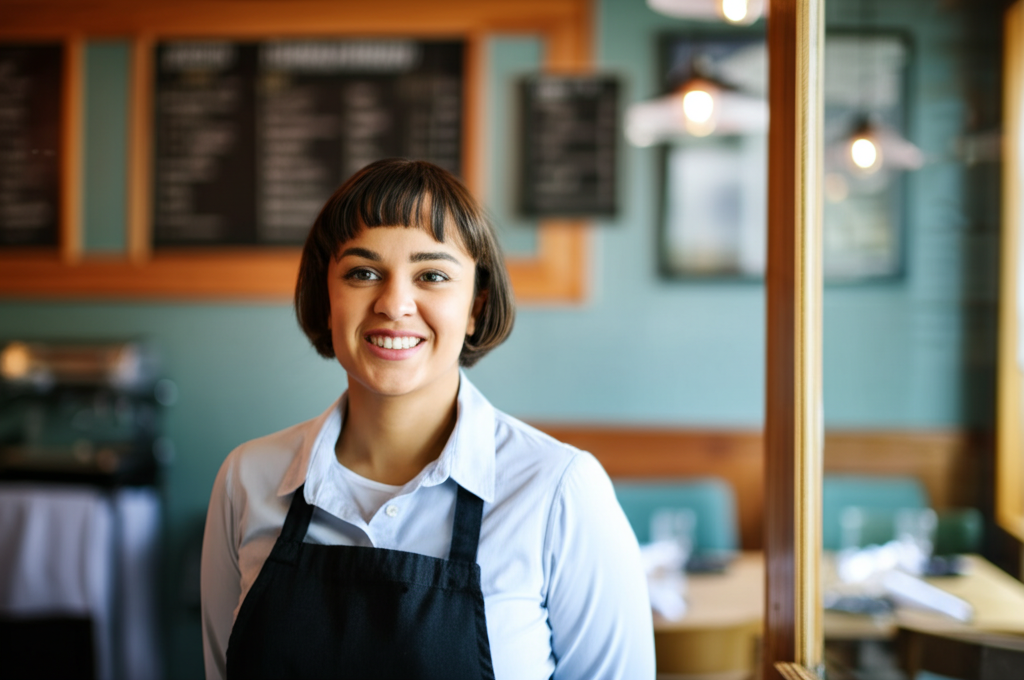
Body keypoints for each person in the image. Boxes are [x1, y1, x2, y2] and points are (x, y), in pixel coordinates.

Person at [200, 158, 655, 680]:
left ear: (476, 306)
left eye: (432, 275)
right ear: (328, 299)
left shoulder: (560, 492)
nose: (394, 304)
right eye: (362, 272)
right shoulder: (247, 478)